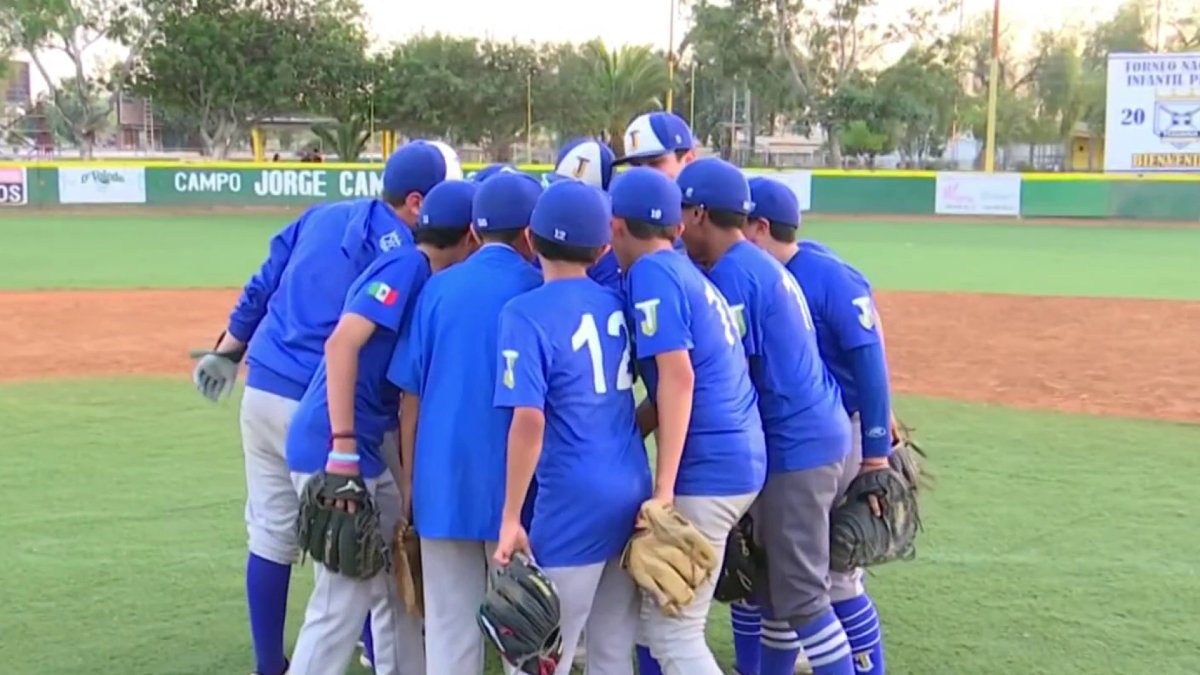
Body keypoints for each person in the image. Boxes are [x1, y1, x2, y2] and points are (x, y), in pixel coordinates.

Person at [188, 140, 461, 675]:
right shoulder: (404, 252)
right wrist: (343, 444)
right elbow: (359, 346)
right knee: (353, 560)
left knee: (272, 532)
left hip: (261, 390)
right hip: (326, 408)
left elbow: (263, 283)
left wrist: (228, 350)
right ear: (416, 201)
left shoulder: (323, 215)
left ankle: (271, 663)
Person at [675, 160, 857, 675]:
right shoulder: (757, 265)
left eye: (682, 212)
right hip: (812, 435)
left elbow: (725, 376)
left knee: (802, 599)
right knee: (777, 595)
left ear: (700, 213)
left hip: (798, 448)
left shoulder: (734, 277)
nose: (677, 224)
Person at [609, 167, 766, 675]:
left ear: (614, 226)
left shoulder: (651, 274)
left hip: (712, 468)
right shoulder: (682, 269)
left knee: (673, 632)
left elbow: (678, 378)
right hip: (739, 454)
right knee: (659, 624)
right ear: (676, 226)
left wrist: (664, 489)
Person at [492, 179, 652, 675]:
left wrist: (511, 516)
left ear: (530, 239)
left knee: (538, 659)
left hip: (571, 503)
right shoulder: (614, 302)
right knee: (611, 652)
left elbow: (529, 419)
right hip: (630, 484)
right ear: (603, 247)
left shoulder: (523, 312)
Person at [388, 171, 545, 674]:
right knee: (528, 634)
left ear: (475, 233)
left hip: (442, 483)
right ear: (531, 234)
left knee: (451, 638)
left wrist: (411, 484)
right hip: (518, 493)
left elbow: (408, 399)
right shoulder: (541, 289)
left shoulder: (438, 290)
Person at [739, 176, 895, 675]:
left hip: (839, 435)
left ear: (760, 227)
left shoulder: (828, 275)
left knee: (834, 576)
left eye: (738, 223)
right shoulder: (766, 275)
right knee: (779, 576)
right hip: (790, 440)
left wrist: (875, 456)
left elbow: (871, 366)